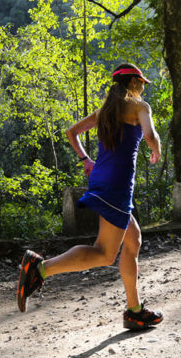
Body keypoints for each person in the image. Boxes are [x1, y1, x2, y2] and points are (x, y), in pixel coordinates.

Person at [16, 63, 164, 330]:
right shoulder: (141, 107)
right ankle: (39, 269)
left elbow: (71, 132)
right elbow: (150, 135)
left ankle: (134, 311)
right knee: (105, 254)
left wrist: (86, 160)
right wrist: (157, 148)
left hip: (103, 182)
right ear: (132, 83)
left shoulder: (105, 111)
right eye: (141, 83)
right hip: (117, 186)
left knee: (134, 239)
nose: (142, 87)